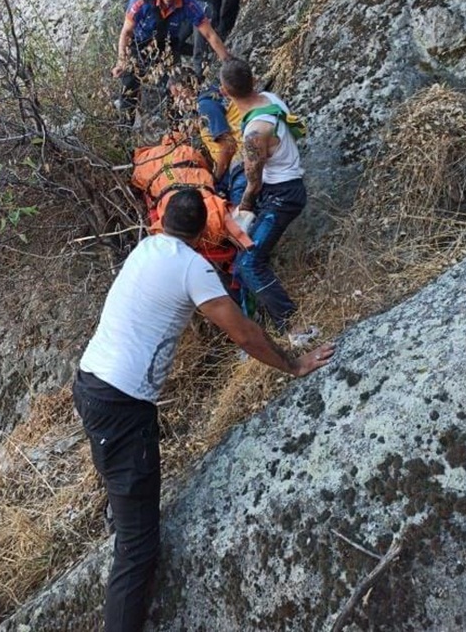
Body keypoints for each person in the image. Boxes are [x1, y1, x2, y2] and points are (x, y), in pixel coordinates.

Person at [72, 187, 335, 632]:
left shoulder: (147, 247)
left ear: (162, 219)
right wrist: (293, 365)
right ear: (203, 230)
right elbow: (245, 333)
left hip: (93, 383)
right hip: (121, 402)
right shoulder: (192, 267)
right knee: (138, 547)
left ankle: (122, 505)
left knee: (124, 488)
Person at [219, 57, 308, 341]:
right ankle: (265, 316)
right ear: (253, 80)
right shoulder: (269, 99)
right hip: (284, 186)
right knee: (250, 255)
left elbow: (253, 181)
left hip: (282, 196)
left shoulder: (254, 133)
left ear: (225, 93)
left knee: (248, 263)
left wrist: (244, 207)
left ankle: (293, 327)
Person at [112, 0, 231, 118]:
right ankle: (125, 127)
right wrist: (122, 60)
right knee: (129, 88)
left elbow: (209, 34)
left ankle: (176, 129)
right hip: (138, 44)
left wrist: (228, 61)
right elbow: (126, 32)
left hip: (168, 45)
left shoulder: (188, 2)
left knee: (174, 87)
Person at [197, 83, 247, 205]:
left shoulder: (205, 105)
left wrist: (216, 177)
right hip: (244, 154)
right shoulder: (219, 96)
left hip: (239, 161)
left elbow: (228, 145)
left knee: (239, 214)